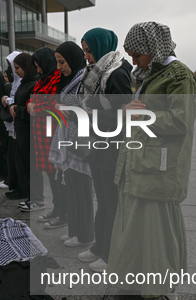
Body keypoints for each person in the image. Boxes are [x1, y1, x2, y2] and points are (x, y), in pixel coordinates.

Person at [107, 21, 196, 300]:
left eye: (136, 54)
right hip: (142, 162)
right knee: (138, 228)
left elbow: (180, 121)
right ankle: (139, 281)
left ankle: (164, 291)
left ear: (151, 48)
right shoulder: (151, 73)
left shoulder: (179, 75)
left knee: (157, 229)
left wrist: (141, 116)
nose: (133, 61)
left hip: (160, 167)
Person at [77, 28, 133, 272]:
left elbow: (124, 115)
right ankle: (100, 246)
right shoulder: (96, 73)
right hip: (98, 146)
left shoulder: (116, 73)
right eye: (85, 51)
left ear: (101, 47)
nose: (87, 57)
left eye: (89, 51)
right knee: (103, 200)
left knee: (112, 203)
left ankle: (110, 254)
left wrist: (93, 116)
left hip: (112, 148)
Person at [47, 41, 94, 242]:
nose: (59, 67)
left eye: (62, 62)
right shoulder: (69, 79)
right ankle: (75, 230)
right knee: (72, 189)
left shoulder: (84, 79)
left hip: (80, 140)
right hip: (68, 138)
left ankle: (85, 235)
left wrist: (67, 110)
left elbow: (90, 110)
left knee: (82, 191)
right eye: (57, 63)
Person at [19, 47, 62, 213]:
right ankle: (56, 210)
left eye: (39, 65)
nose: (38, 69)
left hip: (51, 132)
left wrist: (34, 106)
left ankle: (59, 210)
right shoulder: (43, 79)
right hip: (41, 133)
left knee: (56, 175)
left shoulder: (56, 79)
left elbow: (54, 104)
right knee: (50, 175)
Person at [9, 53, 39, 200]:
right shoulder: (25, 82)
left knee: (29, 164)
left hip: (28, 129)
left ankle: (31, 194)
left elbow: (30, 109)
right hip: (20, 127)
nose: (16, 71)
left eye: (18, 68)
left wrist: (16, 109)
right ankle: (24, 190)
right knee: (21, 162)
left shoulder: (33, 83)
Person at [2, 52, 23, 199]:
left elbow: (20, 102)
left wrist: (8, 101)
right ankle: (15, 185)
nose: (14, 71)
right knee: (14, 158)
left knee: (21, 161)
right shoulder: (15, 82)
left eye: (16, 67)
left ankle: (22, 188)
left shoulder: (24, 81)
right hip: (13, 126)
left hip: (20, 126)